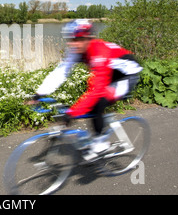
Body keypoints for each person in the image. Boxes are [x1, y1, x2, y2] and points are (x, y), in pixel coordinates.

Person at [29, 19, 142, 161]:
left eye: (78, 39)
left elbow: (97, 91)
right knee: (90, 103)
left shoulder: (100, 52)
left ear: (89, 38)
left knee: (98, 101)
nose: (72, 43)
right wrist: (40, 93)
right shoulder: (76, 51)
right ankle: (99, 129)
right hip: (110, 72)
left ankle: (100, 143)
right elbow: (62, 72)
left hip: (127, 74)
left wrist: (72, 113)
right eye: (71, 39)